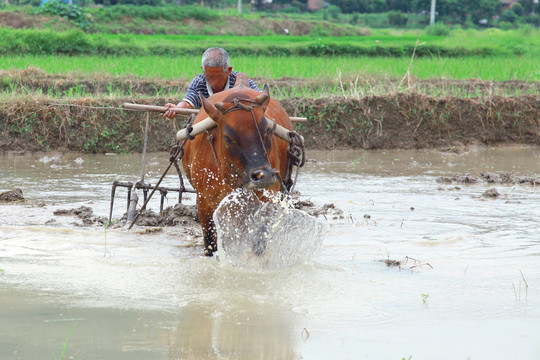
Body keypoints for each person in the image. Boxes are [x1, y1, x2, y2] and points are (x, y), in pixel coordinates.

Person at [162, 47, 261, 118]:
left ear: (229, 70)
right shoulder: (199, 82)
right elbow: (188, 102)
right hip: (208, 126)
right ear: (203, 70)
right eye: (209, 76)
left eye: (219, 76)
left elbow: (260, 98)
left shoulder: (241, 82)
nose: (215, 82)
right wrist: (177, 108)